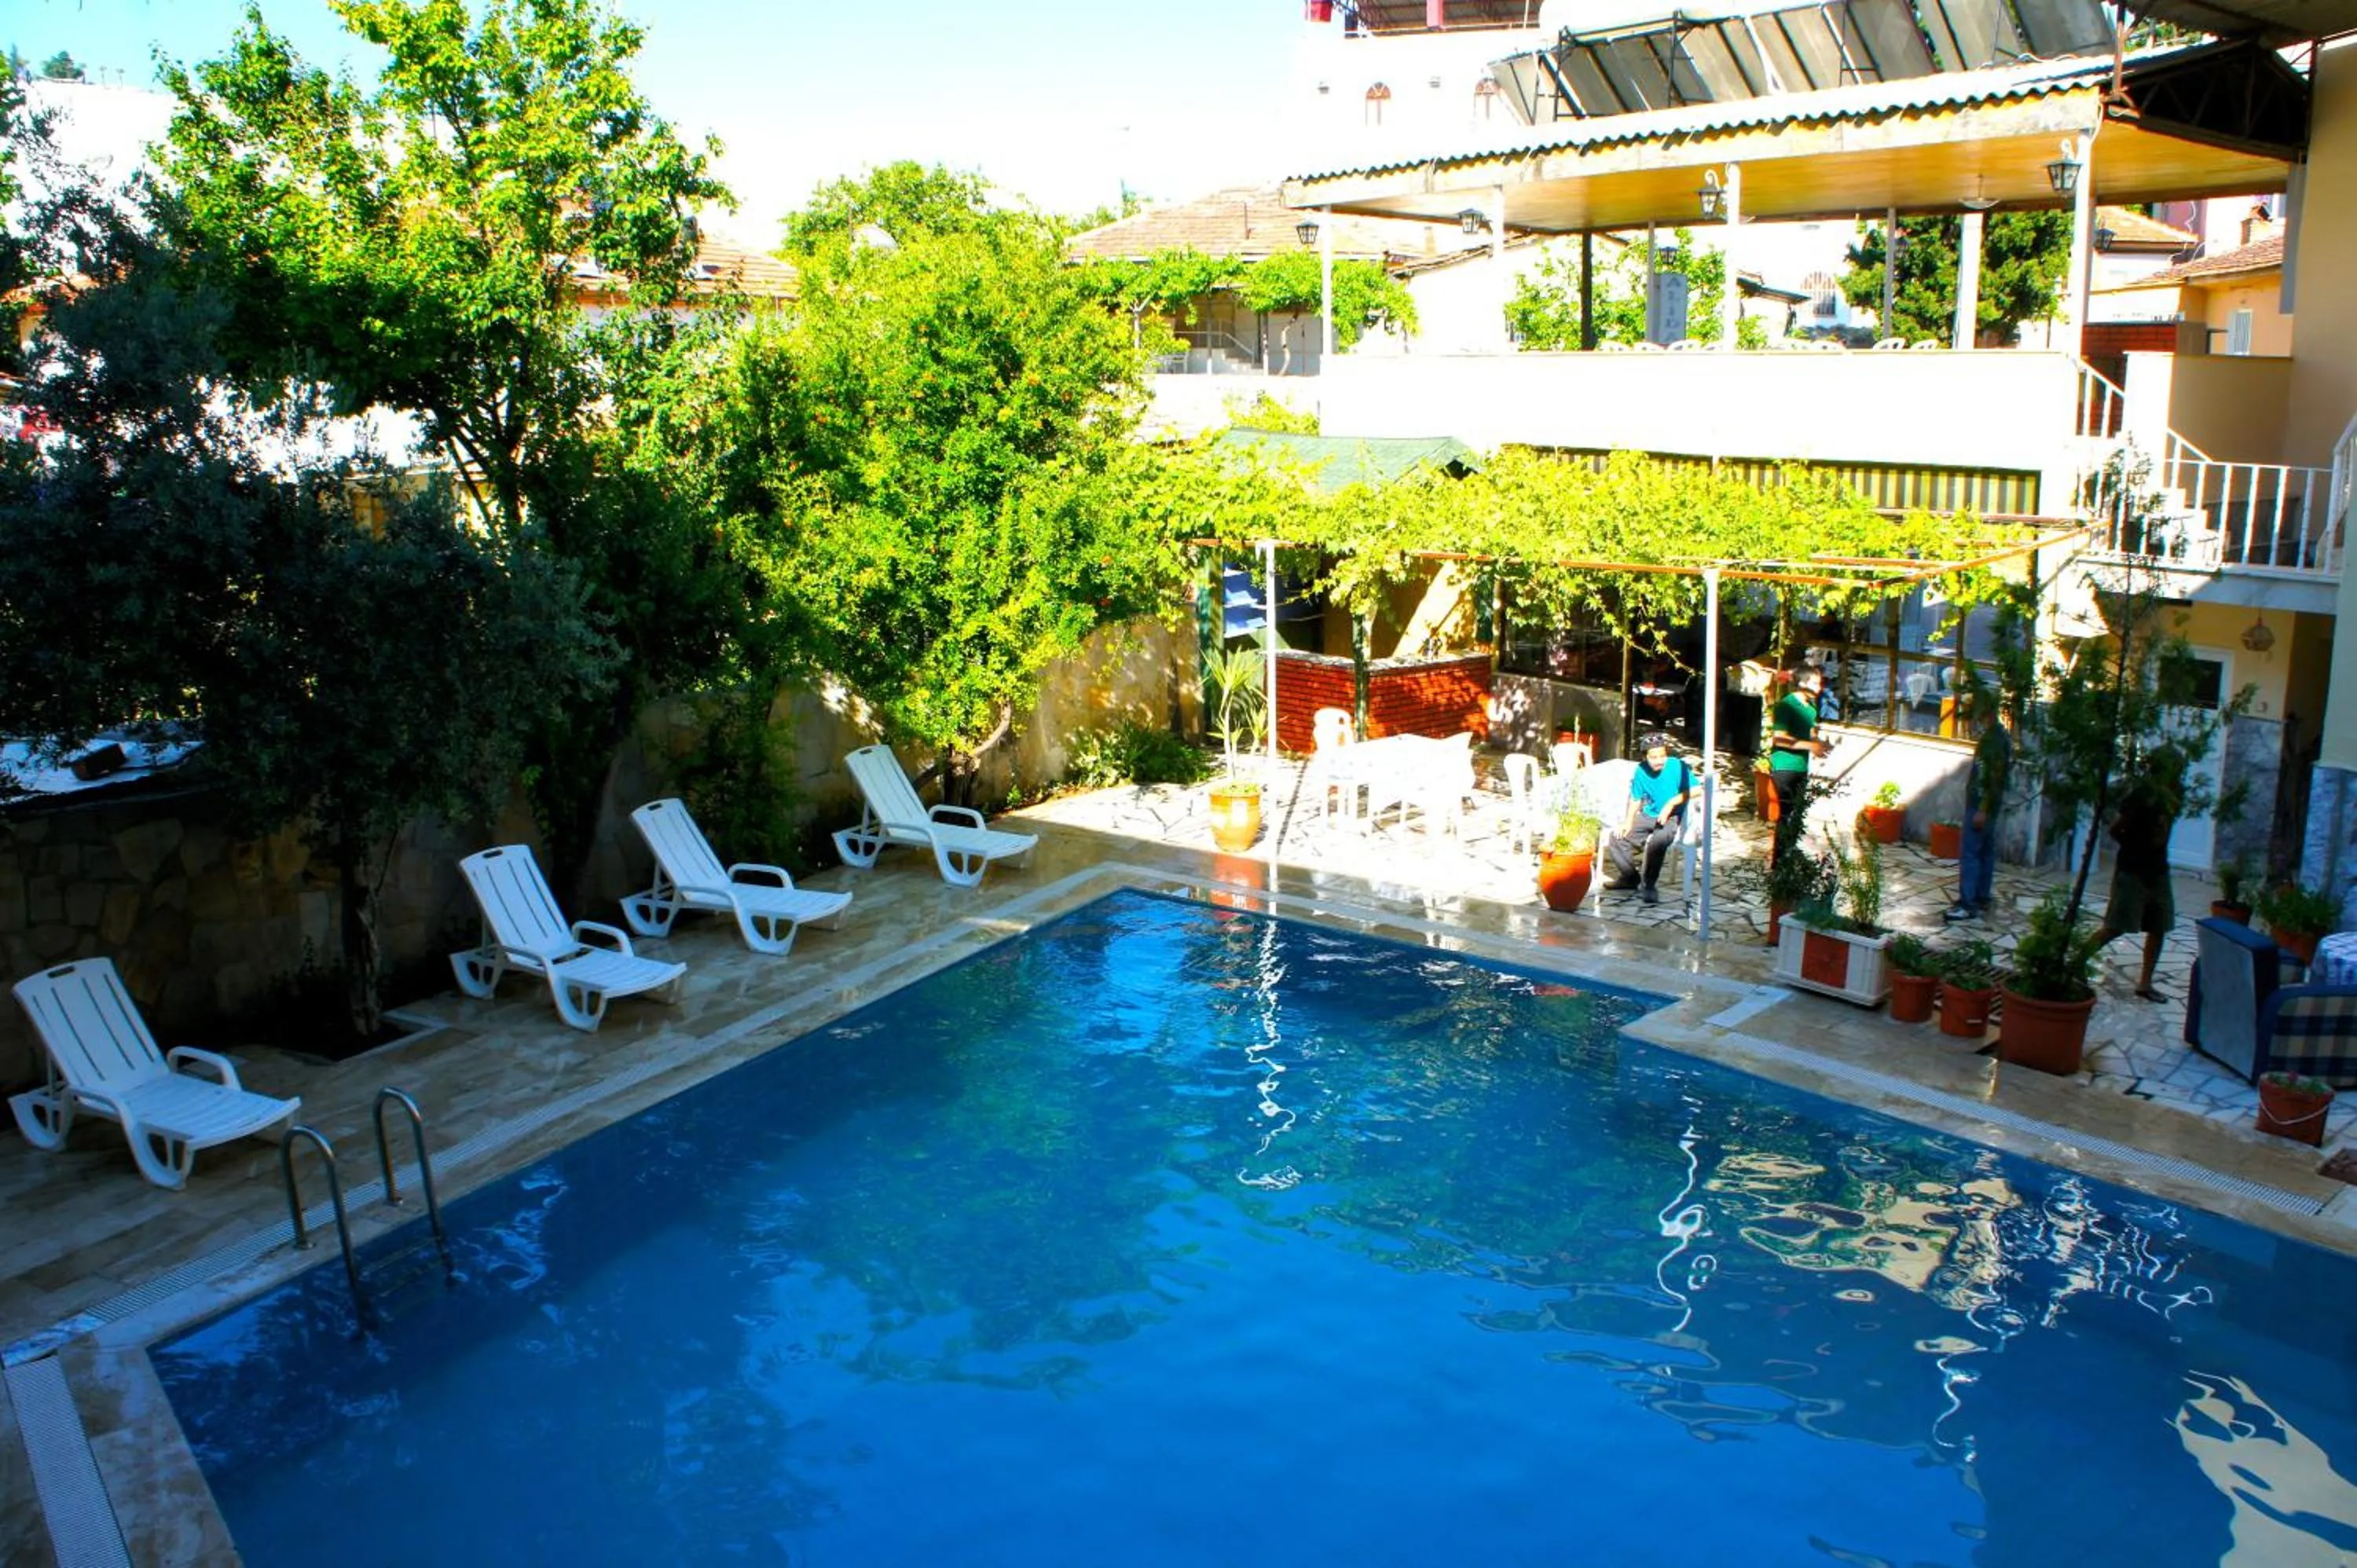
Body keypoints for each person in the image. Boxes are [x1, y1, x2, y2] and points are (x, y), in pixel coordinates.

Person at [2094, 744, 2186, 1001]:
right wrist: (2135, 848)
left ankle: (2145, 983)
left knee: (2160, 926)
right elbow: (2115, 829)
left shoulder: (2176, 793)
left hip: (2158, 871)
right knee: (2115, 927)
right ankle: (2073, 964)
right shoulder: (2142, 795)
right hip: (2132, 870)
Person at [1945, 686, 2012, 922]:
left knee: (1971, 853)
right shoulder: (2002, 737)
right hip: (1991, 807)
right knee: (1985, 852)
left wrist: (1982, 809)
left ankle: (1968, 902)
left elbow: (1989, 777)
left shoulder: (1991, 742)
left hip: (1982, 807)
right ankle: (1982, 897)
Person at [1604, 735, 1693, 903]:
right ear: (1645, 757)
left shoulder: (1676, 766)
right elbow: (1636, 798)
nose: (1659, 760)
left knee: (1657, 842)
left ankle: (1649, 885)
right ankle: (1630, 878)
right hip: (1649, 814)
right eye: (1654, 757)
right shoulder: (1641, 771)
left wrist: (1671, 803)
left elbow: (1696, 791)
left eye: (1662, 755)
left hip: (1672, 816)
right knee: (1617, 838)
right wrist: (1628, 822)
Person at [1766, 665, 1826, 863]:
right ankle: (1780, 864)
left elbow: (1811, 734)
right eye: (1816, 682)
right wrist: (1811, 746)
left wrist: (1820, 745)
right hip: (1785, 767)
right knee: (1786, 817)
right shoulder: (1786, 705)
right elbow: (1779, 738)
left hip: (1801, 767)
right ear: (1802, 683)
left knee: (1796, 816)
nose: (1820, 686)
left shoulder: (1811, 708)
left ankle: (1789, 859)